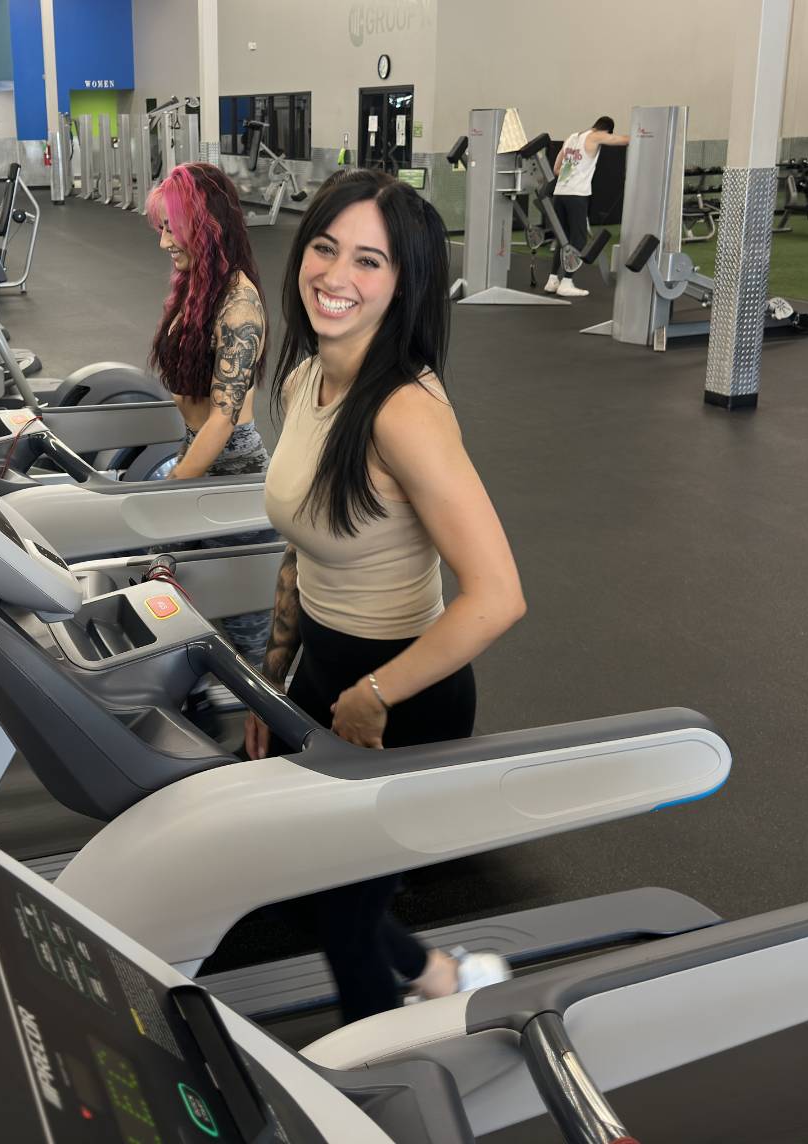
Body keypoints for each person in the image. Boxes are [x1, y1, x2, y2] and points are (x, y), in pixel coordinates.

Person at [245, 168, 527, 1023]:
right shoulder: (303, 380)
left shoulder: (404, 412)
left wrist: (374, 697)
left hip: (407, 689)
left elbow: (497, 596)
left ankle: (381, 1069)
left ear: (402, 283)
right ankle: (440, 975)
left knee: (340, 918)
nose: (336, 276)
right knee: (305, 882)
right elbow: (302, 551)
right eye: (326, 248)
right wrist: (275, 676)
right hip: (325, 666)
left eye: (369, 262)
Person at [146, 162, 273, 662]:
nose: (164, 243)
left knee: (247, 628)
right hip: (197, 454)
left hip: (234, 472)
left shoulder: (240, 305)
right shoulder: (194, 289)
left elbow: (223, 416)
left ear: (206, 226)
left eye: (171, 229)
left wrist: (173, 489)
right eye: (161, 230)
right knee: (175, 593)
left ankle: (262, 712)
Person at [544, 115, 630, 298]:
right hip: (576, 195)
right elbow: (622, 140)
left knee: (563, 238)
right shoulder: (595, 136)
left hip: (560, 193)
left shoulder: (572, 137)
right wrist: (646, 134)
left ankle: (552, 280)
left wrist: (573, 171)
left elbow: (557, 170)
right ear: (605, 130)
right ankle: (566, 282)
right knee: (579, 240)